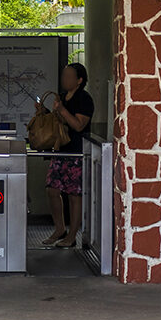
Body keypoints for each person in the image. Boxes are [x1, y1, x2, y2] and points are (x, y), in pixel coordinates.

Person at [39, 63, 94, 248]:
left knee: (74, 195)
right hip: (60, 150)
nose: (65, 79)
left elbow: (79, 125)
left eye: (70, 76)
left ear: (79, 80)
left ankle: (72, 236)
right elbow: (58, 123)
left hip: (77, 152)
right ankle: (59, 228)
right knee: (52, 189)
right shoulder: (61, 97)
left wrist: (62, 110)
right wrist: (45, 113)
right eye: (64, 75)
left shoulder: (84, 99)